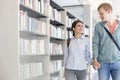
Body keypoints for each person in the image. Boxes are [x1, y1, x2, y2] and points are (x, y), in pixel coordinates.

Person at [93, 3, 120, 80]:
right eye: (99, 14)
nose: (100, 16)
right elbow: (95, 44)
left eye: (102, 13)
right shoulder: (98, 26)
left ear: (109, 11)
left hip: (118, 62)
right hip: (103, 63)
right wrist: (95, 59)